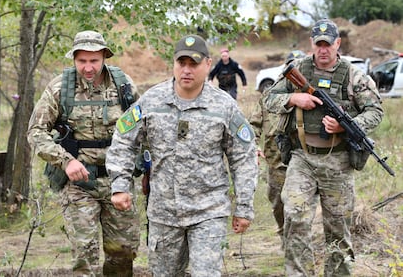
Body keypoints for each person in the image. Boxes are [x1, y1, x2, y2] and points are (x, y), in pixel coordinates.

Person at [107, 34, 258, 277]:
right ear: (174, 64)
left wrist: (244, 207)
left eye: (194, 64)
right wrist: (120, 185)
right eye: (181, 63)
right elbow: (123, 140)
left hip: (209, 212)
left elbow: (244, 157)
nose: (187, 70)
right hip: (164, 213)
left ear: (208, 64)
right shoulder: (152, 100)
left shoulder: (224, 106)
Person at [264, 19, 384, 276]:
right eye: (318, 44)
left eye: (327, 44)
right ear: (312, 45)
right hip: (302, 158)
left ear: (337, 43)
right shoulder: (297, 69)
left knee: (338, 228)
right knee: (294, 215)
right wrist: (294, 98)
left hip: (338, 163)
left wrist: (347, 125)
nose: (323, 50)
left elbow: (375, 111)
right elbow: (268, 99)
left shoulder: (353, 75)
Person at [27, 30, 140, 277]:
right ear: (74, 59)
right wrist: (65, 161)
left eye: (94, 61)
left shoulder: (124, 85)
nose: (88, 68)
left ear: (104, 57)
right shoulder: (60, 88)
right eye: (82, 61)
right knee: (84, 256)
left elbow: (142, 130)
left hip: (117, 181)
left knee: (122, 253)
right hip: (79, 184)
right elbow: (35, 132)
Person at [249, 50, 306, 244]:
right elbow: (254, 124)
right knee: (278, 203)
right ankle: (284, 234)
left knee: (299, 204)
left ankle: (297, 242)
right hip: (275, 161)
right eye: (291, 67)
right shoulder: (270, 95)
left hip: (302, 159)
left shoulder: (309, 97)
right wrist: (253, 146)